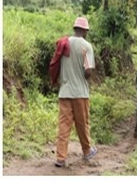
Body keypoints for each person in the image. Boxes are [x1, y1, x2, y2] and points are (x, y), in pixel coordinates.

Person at [55, 17, 98, 167]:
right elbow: (88, 71)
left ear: (74, 28)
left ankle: (60, 157)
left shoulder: (64, 44)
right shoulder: (86, 46)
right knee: (82, 124)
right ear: (85, 30)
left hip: (65, 92)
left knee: (64, 126)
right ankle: (87, 151)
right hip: (80, 93)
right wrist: (88, 73)